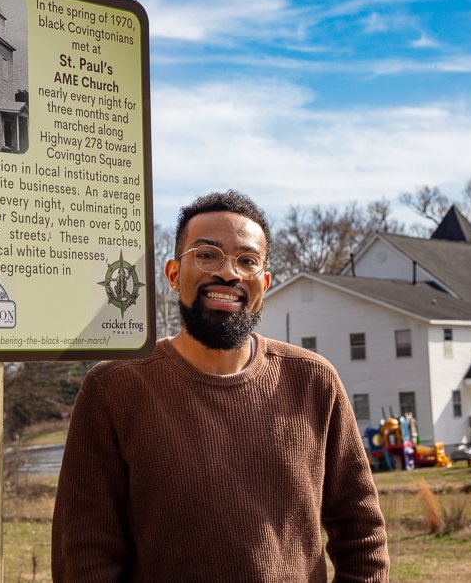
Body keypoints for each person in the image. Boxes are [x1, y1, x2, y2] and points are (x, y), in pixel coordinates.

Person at [51, 190, 389, 582]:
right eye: (207, 254)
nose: (229, 273)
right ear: (174, 275)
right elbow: (85, 557)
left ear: (263, 283)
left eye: (247, 260)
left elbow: (362, 536)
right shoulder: (114, 389)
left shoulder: (314, 381)